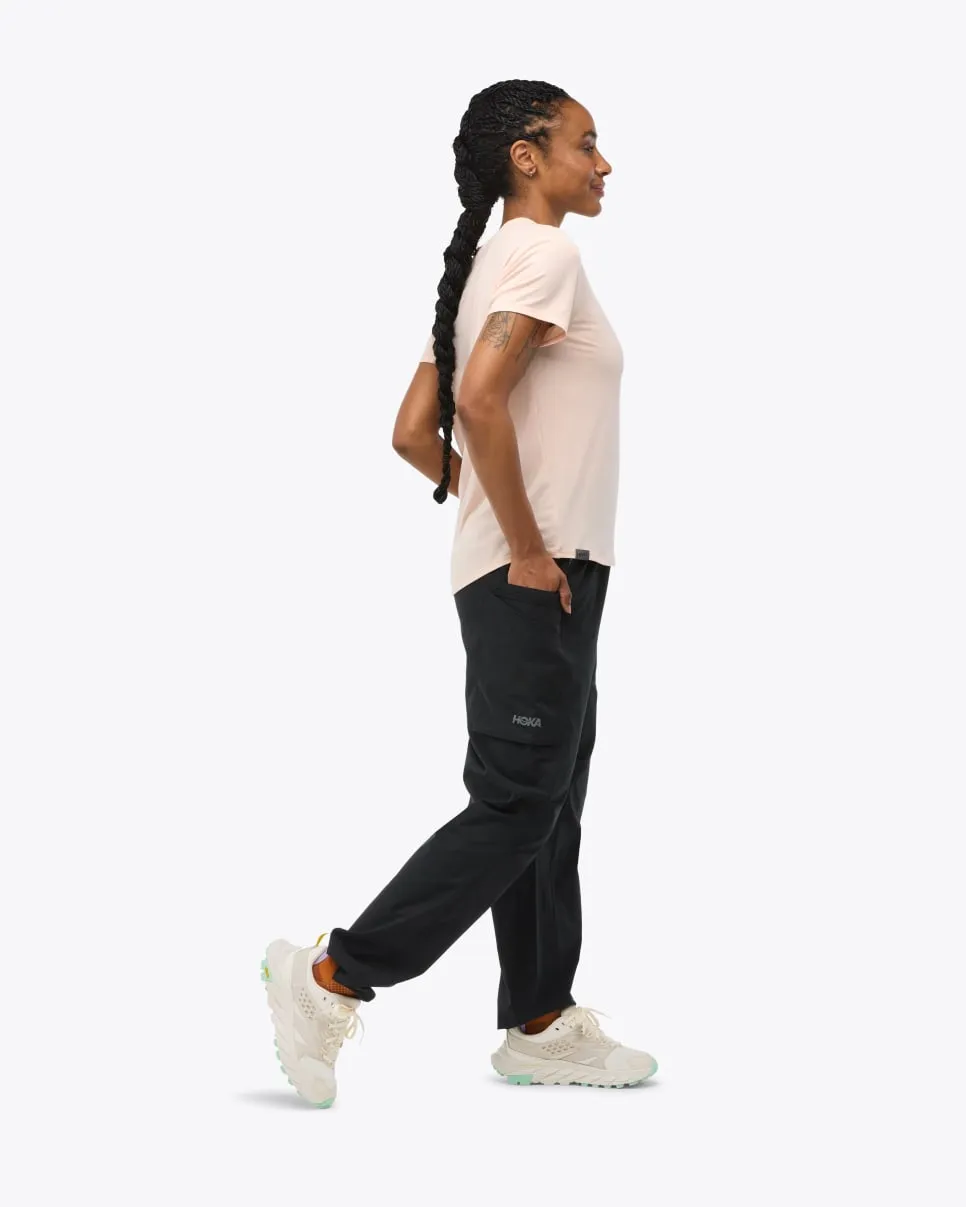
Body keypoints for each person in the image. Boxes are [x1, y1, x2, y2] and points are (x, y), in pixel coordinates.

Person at [260, 79, 657, 1108]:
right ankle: (333, 974)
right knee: (519, 804)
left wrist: (497, 519)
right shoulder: (545, 257)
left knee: (548, 804)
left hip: (534, 571)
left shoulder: (485, 270)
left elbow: (413, 432)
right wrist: (527, 545)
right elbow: (477, 404)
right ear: (527, 156)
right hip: (538, 570)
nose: (604, 163)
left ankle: (540, 1023)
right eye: (585, 143)